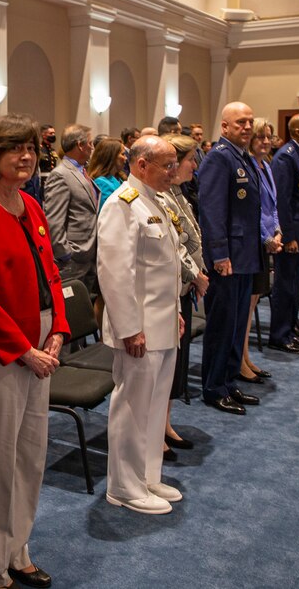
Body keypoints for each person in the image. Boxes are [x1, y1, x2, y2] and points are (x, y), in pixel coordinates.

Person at [0, 114, 68, 589]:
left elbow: (51, 274)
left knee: (30, 455)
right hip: (3, 352)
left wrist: (60, 330)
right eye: (14, 149)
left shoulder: (29, 203)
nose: (26, 156)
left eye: (30, 148)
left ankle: (17, 550)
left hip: (41, 343)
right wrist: (25, 349)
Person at [97, 136, 186, 514]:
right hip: (140, 330)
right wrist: (130, 328)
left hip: (163, 323)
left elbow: (166, 266)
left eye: (174, 164)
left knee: (152, 407)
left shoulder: (157, 201)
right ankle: (124, 486)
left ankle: (147, 476)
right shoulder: (122, 204)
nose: (173, 171)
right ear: (141, 164)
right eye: (166, 165)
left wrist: (177, 308)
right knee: (132, 406)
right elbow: (115, 273)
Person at [197, 103, 262, 415]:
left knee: (236, 324)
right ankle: (213, 387)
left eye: (250, 121)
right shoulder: (219, 158)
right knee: (222, 325)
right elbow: (211, 211)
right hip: (228, 258)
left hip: (246, 254)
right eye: (240, 122)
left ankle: (228, 381)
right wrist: (219, 253)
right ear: (224, 127)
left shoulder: (242, 156)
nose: (247, 127)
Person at [159, 134, 208, 457]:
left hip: (184, 286)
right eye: (191, 159)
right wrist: (196, 275)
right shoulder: (161, 197)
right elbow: (174, 245)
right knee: (164, 367)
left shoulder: (177, 192)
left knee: (176, 363)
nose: (195, 166)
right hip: (172, 287)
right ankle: (158, 431)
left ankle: (166, 423)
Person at [238, 119, 287, 379]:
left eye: (269, 137)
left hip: (267, 240)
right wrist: (266, 237)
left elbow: (272, 205)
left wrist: (277, 230)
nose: (266, 142)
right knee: (246, 305)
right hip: (253, 242)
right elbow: (249, 211)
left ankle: (245, 356)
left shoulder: (266, 166)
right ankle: (241, 359)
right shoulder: (246, 167)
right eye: (260, 137)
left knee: (254, 301)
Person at [268, 113, 299, 355]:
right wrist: (288, 236)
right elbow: (282, 202)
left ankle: (291, 325)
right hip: (292, 234)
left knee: (294, 283)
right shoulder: (285, 157)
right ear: (297, 132)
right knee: (285, 285)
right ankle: (280, 334)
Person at [44, 123, 98, 291]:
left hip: (89, 256)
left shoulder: (82, 171)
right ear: (80, 145)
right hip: (73, 260)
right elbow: (53, 220)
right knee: (71, 311)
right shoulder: (61, 174)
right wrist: (66, 254)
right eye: (90, 143)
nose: (92, 148)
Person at [88, 137, 127, 211]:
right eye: (123, 154)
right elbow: (108, 211)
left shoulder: (120, 178)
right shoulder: (101, 183)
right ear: (112, 156)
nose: (125, 158)